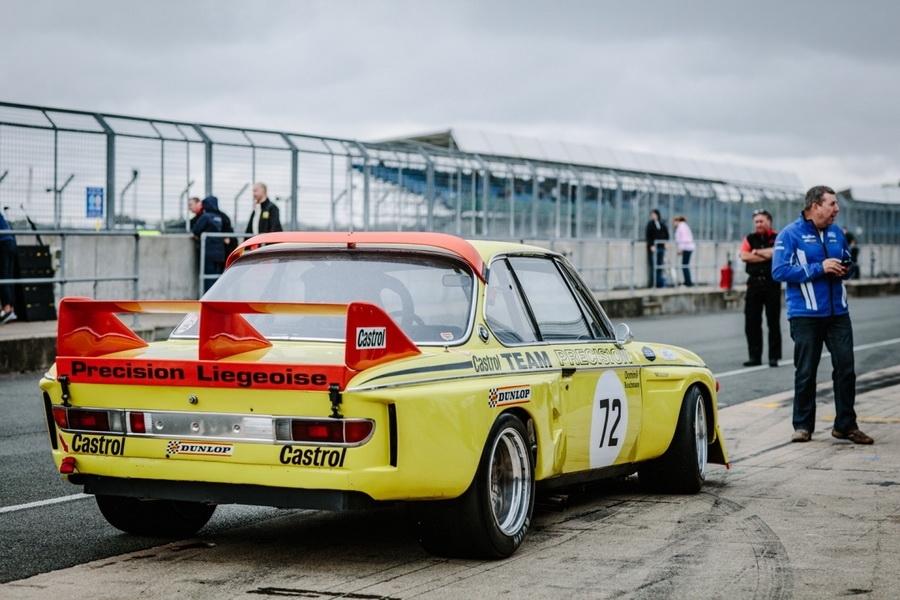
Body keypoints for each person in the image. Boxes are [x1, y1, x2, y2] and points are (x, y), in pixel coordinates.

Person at [772, 185, 873, 445]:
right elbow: (780, 271)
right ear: (815, 206)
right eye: (832, 204)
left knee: (846, 369)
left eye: (837, 205)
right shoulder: (790, 234)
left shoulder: (836, 232)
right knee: (806, 372)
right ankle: (803, 426)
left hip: (838, 313)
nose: (837, 209)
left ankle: (845, 425)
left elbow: (848, 261)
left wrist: (846, 269)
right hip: (805, 315)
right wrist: (820, 267)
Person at [739, 209, 782, 367]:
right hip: (754, 284)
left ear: (769, 221)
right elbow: (744, 256)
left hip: (772, 283)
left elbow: (778, 253)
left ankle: (774, 357)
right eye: (756, 222)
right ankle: (754, 356)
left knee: (773, 321)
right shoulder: (749, 238)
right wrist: (766, 254)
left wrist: (758, 252)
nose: (758, 224)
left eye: (761, 221)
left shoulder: (778, 237)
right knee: (752, 322)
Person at [191, 196, 225, 294]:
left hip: (208, 251)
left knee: (208, 277)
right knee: (217, 277)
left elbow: (196, 230)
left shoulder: (205, 217)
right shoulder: (219, 217)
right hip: (219, 252)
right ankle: (217, 298)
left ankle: (210, 299)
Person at [0, 211, 17, 324]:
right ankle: (10, 310)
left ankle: (7, 309)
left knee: (3, 276)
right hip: (10, 241)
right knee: (8, 276)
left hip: (2, 243)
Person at [645, 208, 669, 288]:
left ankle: (659, 282)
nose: (653, 216)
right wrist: (651, 245)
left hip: (661, 247)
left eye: (654, 214)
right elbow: (648, 236)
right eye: (652, 215)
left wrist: (665, 243)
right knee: (653, 266)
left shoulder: (662, 223)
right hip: (654, 248)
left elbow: (666, 234)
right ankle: (653, 283)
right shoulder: (650, 224)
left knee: (660, 266)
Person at [672, 215, 695, 287]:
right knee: (685, 265)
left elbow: (683, 239)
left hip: (686, 248)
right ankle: (688, 281)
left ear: (677, 221)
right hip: (688, 247)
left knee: (684, 265)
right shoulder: (684, 226)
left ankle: (688, 282)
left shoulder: (681, 227)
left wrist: (681, 249)